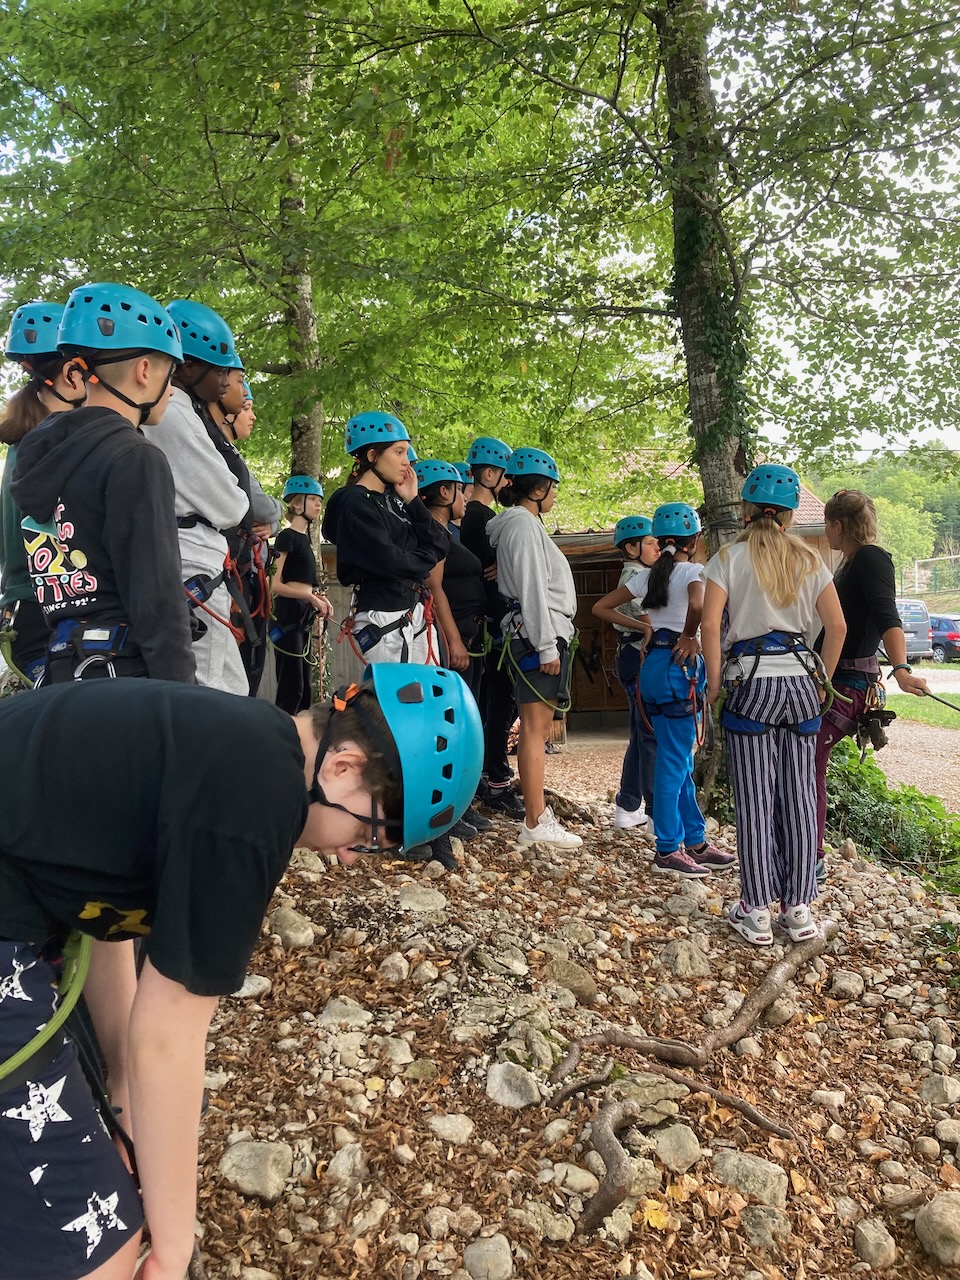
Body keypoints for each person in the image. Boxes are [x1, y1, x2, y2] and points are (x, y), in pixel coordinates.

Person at [0, 663, 482, 1280]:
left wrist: (122, 1097)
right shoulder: (254, 800)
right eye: (370, 835)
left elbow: (105, 920)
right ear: (344, 767)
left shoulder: (237, 745)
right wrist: (172, 1247)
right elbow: (168, 1037)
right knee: (100, 1250)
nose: (349, 857)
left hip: (23, 911)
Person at [10, 284, 195, 684]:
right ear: (144, 371)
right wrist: (182, 696)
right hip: (126, 675)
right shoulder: (135, 457)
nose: (171, 390)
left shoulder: (37, 452)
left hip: (63, 669)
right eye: (170, 375)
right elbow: (157, 601)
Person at [700, 466, 847, 946]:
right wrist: (822, 680)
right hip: (802, 683)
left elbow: (710, 626)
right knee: (800, 798)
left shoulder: (727, 558)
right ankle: (799, 908)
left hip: (751, 685)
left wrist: (714, 685)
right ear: (789, 516)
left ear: (745, 509)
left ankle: (757, 909)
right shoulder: (809, 559)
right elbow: (837, 627)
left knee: (756, 799)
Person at [591, 503, 731, 877]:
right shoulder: (693, 571)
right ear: (694, 540)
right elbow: (698, 605)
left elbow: (600, 607)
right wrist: (687, 634)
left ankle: (695, 841)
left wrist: (646, 629)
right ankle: (667, 849)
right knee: (674, 762)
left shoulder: (648, 577)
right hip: (678, 669)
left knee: (679, 760)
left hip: (651, 667)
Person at [813, 489, 928, 879]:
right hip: (838, 678)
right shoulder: (851, 563)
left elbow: (886, 615)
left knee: (809, 762)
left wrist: (901, 668)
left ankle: (812, 856)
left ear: (837, 525)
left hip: (847, 683)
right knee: (807, 761)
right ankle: (806, 849)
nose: (826, 531)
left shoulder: (870, 558)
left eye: (827, 525)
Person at [141, 299, 249, 695]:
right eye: (219, 370)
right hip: (192, 564)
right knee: (210, 692)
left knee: (232, 689)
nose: (226, 380)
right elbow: (231, 505)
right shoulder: (175, 414)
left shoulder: (183, 410)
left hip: (195, 562)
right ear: (187, 367)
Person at [487, 447, 582, 849]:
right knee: (534, 729)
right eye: (553, 488)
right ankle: (535, 819)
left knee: (535, 728)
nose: (555, 494)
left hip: (531, 633)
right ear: (539, 489)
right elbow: (532, 590)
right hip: (536, 635)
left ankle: (536, 815)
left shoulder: (518, 525)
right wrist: (546, 646)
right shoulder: (524, 526)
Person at [1, 301, 86, 685]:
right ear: (71, 373)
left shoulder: (28, 441)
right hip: (49, 611)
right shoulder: (53, 447)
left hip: (28, 609)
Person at [321, 411, 447, 666]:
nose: (406, 462)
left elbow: (440, 544)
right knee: (396, 690)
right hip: (385, 613)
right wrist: (426, 559)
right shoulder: (354, 502)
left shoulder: (397, 501)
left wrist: (413, 501)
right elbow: (390, 560)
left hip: (414, 609)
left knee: (427, 688)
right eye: (399, 452)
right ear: (372, 456)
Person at [414, 458, 493, 840]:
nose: (466, 496)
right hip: (453, 638)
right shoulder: (434, 533)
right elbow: (435, 588)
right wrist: (454, 640)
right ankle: (446, 808)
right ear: (444, 492)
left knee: (464, 724)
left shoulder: (448, 533)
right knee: (451, 724)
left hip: (467, 633)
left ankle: (459, 804)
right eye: (460, 490)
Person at [460, 436, 524, 819]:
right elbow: (488, 569)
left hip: (487, 622)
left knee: (493, 702)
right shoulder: (480, 518)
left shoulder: (477, 516)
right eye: (505, 475)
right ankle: (496, 779)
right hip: (493, 624)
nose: (508, 483)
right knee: (501, 702)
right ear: (488, 474)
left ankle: (487, 775)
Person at [208, 377, 283, 693]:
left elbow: (263, 516)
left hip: (243, 573)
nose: (252, 416)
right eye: (247, 408)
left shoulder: (231, 454)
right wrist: (278, 511)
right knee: (239, 664)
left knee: (246, 663)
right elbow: (263, 507)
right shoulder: (222, 454)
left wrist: (273, 526)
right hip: (234, 575)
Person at [591, 516, 660, 833]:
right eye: (650, 542)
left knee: (640, 733)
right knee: (650, 735)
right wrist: (645, 629)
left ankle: (628, 804)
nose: (657, 547)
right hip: (639, 655)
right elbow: (650, 622)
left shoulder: (636, 573)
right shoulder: (637, 577)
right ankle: (656, 813)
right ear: (631, 548)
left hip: (630, 655)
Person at [272, 475, 333, 713]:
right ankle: (282, 730)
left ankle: (300, 731)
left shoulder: (305, 540)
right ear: (297, 504)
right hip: (287, 613)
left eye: (320, 500)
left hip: (302, 613)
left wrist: (317, 597)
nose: (319, 504)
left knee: (305, 688)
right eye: (313, 499)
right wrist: (309, 597)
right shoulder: (287, 537)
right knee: (292, 686)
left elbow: (303, 585)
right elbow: (273, 584)